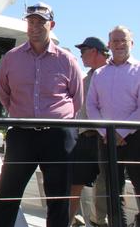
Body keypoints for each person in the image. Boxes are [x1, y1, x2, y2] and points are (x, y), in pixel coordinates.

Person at [0, 2, 83, 227]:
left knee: (58, 198)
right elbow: (4, 95)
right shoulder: (11, 58)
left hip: (58, 136)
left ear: (51, 25)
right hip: (22, 134)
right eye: (31, 22)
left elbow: (77, 98)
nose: (34, 27)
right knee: (7, 194)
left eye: (40, 22)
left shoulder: (67, 60)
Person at [87, 26, 140, 226]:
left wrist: (121, 133)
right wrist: (106, 132)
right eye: (115, 41)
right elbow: (91, 105)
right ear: (109, 44)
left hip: (136, 138)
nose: (119, 44)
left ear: (131, 43)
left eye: (123, 40)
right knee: (112, 191)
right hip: (106, 139)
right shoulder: (99, 74)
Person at [70, 37, 109, 226]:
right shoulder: (86, 78)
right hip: (84, 137)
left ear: (94, 51)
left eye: (83, 51)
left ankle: (99, 221)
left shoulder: (111, 74)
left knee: (107, 184)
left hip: (106, 137)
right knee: (76, 182)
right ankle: (72, 220)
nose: (81, 56)